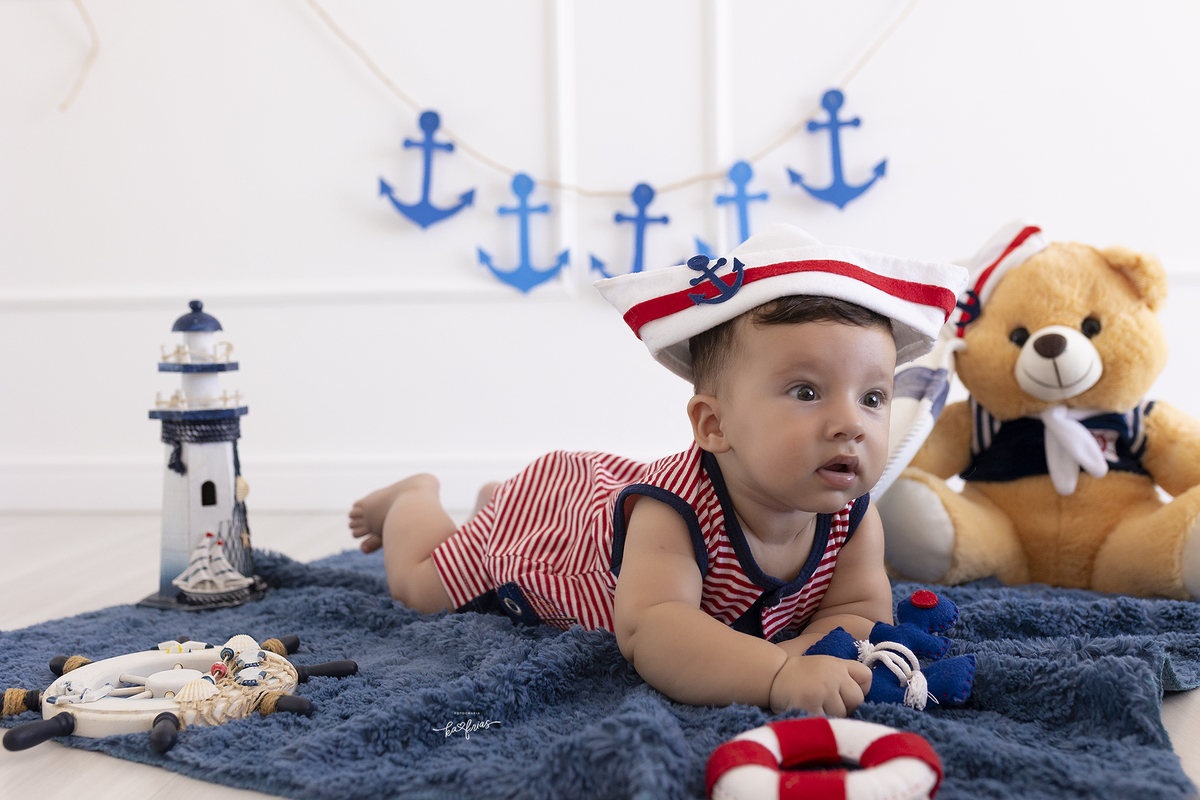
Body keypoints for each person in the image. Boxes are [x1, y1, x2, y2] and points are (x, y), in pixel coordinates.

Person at [349, 223, 966, 717]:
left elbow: (858, 611)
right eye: (806, 392)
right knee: (421, 587)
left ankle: (492, 499)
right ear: (714, 425)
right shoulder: (674, 513)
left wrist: (818, 652)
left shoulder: (852, 518)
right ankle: (414, 499)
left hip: (602, 495)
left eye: (873, 397)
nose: (851, 423)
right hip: (556, 527)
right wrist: (777, 671)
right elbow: (655, 631)